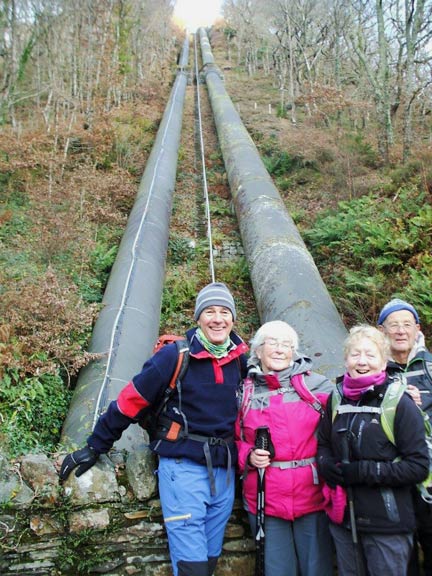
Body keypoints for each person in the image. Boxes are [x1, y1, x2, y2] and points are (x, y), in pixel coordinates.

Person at [60, 282, 249, 576]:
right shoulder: (175, 356)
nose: (217, 318)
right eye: (209, 311)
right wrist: (95, 445)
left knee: (210, 561)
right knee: (192, 568)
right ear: (198, 317)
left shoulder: (240, 360)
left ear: (233, 319)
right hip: (183, 469)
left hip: (223, 473)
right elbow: (129, 401)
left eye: (224, 312)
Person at [317, 324, 429, 576]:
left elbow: (418, 466)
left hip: (387, 524)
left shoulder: (399, 403)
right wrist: (325, 465)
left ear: (383, 361)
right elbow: (323, 443)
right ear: (346, 359)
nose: (362, 361)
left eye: (370, 354)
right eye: (355, 354)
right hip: (344, 519)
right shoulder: (336, 399)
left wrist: (364, 471)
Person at [235, 320, 334, 576]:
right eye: (273, 343)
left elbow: (347, 415)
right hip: (266, 496)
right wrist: (248, 455)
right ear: (258, 350)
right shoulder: (243, 393)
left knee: (317, 569)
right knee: (277, 570)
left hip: (311, 494)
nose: (280, 349)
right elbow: (230, 439)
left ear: (294, 351)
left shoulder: (317, 387)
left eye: (286, 344)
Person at [378, 298, 432, 576]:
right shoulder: (374, 371)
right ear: (382, 331)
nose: (400, 331)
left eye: (406, 324)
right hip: (395, 478)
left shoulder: (430, 366)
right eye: (393, 325)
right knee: (401, 556)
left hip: (430, 479)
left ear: (417, 329)